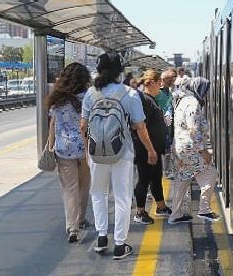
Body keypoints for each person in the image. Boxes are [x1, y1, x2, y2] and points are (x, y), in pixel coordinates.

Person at [80, 53, 157, 260]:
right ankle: (120, 245)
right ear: (119, 72)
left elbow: (83, 126)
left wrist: (89, 151)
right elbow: (140, 127)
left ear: (98, 70)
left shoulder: (90, 94)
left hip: (96, 153)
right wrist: (150, 149)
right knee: (122, 198)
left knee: (98, 194)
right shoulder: (129, 94)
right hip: (122, 152)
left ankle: (102, 237)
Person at [46, 63, 91, 243]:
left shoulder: (57, 98)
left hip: (64, 149)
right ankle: (80, 219)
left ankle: (72, 228)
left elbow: (53, 123)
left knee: (69, 189)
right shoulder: (89, 97)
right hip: (86, 148)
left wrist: (50, 146)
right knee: (84, 186)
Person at [169, 77, 220, 224]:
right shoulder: (193, 103)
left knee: (182, 180)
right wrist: (203, 151)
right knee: (211, 174)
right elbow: (193, 129)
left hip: (180, 147)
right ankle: (204, 210)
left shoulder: (182, 100)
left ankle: (175, 215)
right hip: (191, 148)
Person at [132, 70, 172, 225]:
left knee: (156, 177)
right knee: (144, 179)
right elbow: (142, 126)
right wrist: (150, 150)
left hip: (153, 148)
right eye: (159, 83)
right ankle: (140, 211)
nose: (161, 87)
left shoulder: (150, 99)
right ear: (153, 83)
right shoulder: (145, 100)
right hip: (146, 149)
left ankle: (161, 206)